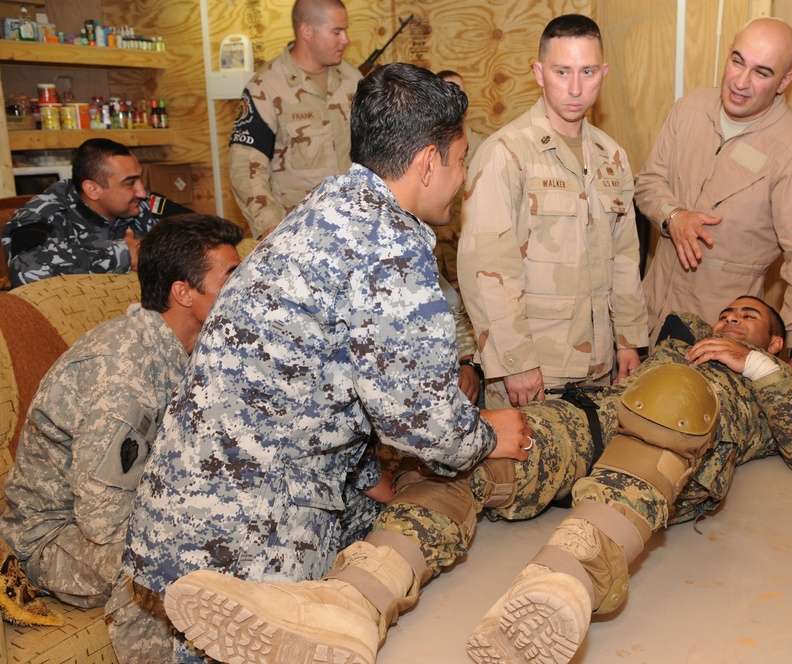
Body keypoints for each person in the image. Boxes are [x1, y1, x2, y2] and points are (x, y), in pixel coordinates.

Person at [158, 295, 792, 664]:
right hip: (591, 424)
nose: (731, 319)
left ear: (770, 342)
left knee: (673, 388)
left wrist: (759, 366)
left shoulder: (771, 386)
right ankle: (352, 602)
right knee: (462, 457)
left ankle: (563, 583)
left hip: (673, 449)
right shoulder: (681, 342)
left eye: (749, 318)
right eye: (727, 311)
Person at [123, 62, 532, 662]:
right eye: (460, 158)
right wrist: (484, 436)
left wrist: (368, 479)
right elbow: (419, 417)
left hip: (190, 510)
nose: (463, 178)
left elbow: (312, 378)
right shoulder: (388, 248)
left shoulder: (327, 209)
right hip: (252, 537)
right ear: (427, 162)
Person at [0, 214, 243, 662]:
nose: (246, 288)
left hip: (118, 512)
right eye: (232, 276)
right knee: (185, 553)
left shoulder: (191, 347)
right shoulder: (124, 373)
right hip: (54, 537)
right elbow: (104, 522)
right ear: (183, 292)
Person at [635, 17, 792, 387]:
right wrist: (674, 215)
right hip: (649, 315)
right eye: (737, 61)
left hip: (720, 339)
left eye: (762, 72)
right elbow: (648, 183)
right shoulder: (689, 110)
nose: (741, 82)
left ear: (785, 82)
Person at [458, 15, 647, 410]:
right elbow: (486, 266)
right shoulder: (505, 152)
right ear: (539, 73)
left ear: (603, 72)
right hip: (535, 371)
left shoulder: (612, 157)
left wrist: (629, 340)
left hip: (601, 366)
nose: (575, 88)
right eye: (562, 71)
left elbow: (626, 256)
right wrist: (516, 362)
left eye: (588, 72)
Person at [229, 0, 362, 239]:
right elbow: (247, 169)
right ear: (306, 31)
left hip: (354, 226)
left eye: (346, 30)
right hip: (299, 233)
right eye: (337, 32)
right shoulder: (266, 88)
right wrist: (271, 229)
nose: (346, 39)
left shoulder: (352, 79)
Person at [1, 138, 192, 287]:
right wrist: (124, 255)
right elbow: (24, 269)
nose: (142, 192)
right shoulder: (43, 214)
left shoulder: (143, 204)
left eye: (140, 180)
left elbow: (205, 234)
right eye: (129, 183)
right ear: (92, 189)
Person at [432, 69, 487, 291]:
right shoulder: (422, 153)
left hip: (470, 263)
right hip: (434, 266)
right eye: (447, 93)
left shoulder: (486, 148)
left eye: (459, 93)